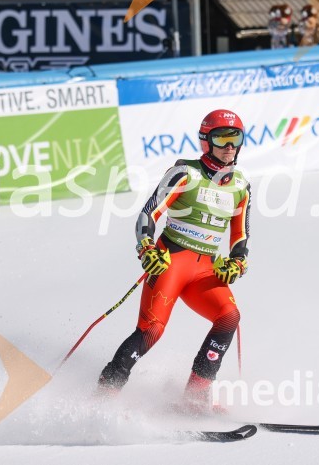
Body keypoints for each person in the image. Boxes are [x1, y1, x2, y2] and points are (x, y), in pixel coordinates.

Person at [97, 109, 252, 411]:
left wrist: (237, 263)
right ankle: (103, 397)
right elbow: (148, 214)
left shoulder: (240, 187)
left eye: (235, 138)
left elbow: (240, 237)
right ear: (206, 141)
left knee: (229, 317)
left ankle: (195, 397)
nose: (229, 146)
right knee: (150, 332)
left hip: (204, 269)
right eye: (221, 138)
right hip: (171, 262)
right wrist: (146, 248)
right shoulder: (186, 173)